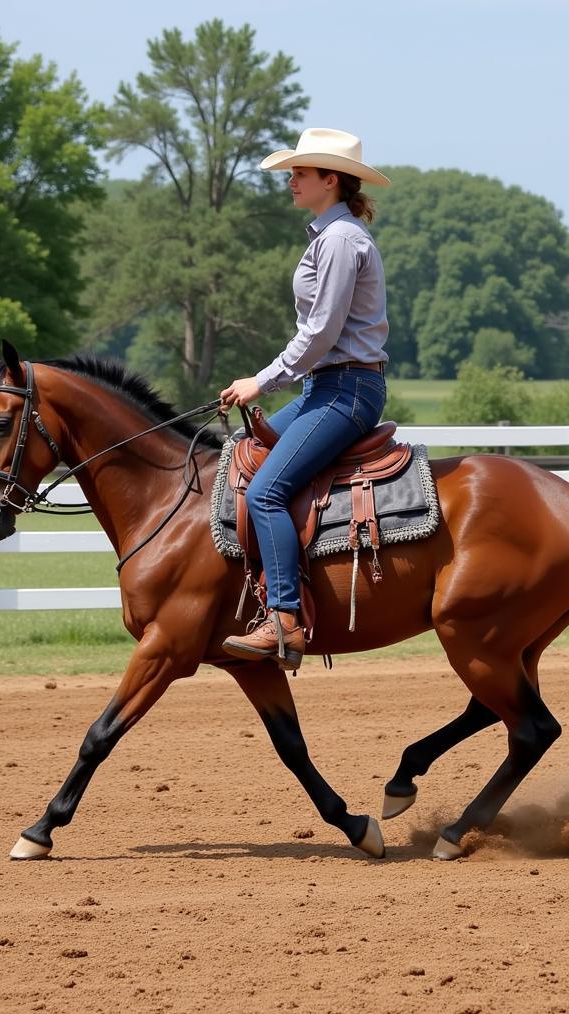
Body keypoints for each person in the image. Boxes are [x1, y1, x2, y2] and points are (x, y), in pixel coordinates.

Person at [219, 128, 391, 670]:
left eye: (299, 172)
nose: (290, 181)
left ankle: (285, 619)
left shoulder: (340, 240)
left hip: (346, 389)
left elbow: (320, 331)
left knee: (267, 492)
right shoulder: (328, 235)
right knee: (247, 457)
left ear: (330, 179)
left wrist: (261, 381)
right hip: (328, 386)